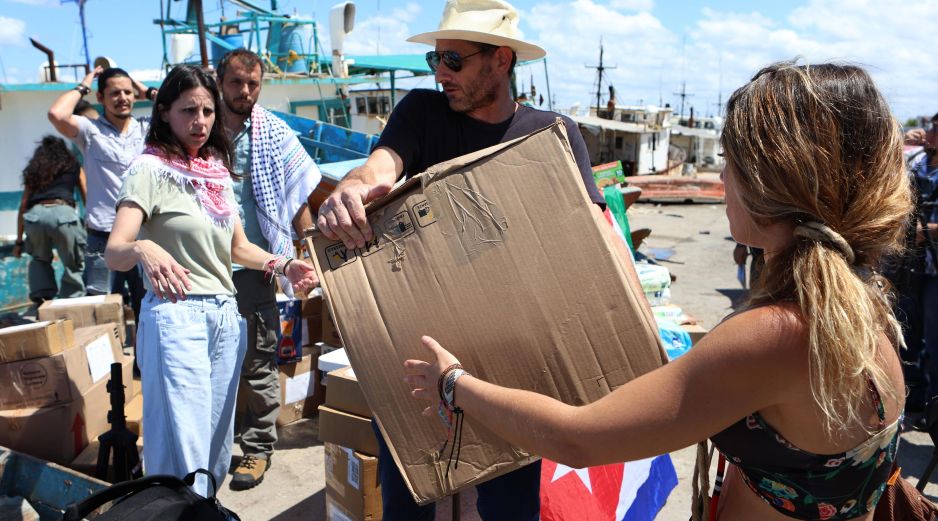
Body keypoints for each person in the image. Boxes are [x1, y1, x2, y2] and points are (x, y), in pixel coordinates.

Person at [405, 62, 911, 521]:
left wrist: (454, 383)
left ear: (768, 180)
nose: (723, 176)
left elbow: (576, 438)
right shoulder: (862, 303)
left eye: (727, 158)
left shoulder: (777, 334)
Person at [317, 0, 605, 518]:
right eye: (434, 60)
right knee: (408, 497)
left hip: (515, 362)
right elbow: (381, 166)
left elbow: (592, 238)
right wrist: (352, 189)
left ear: (501, 60)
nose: (440, 73)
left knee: (508, 505)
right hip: (420, 354)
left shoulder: (553, 135)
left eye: (453, 60)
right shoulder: (422, 113)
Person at [104, 65, 317, 496]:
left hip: (225, 315)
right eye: (188, 111)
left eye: (206, 111)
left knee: (218, 444)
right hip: (177, 317)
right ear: (164, 112)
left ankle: (203, 508)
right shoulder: (149, 168)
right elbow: (115, 249)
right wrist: (144, 248)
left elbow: (237, 248)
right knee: (183, 443)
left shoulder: (216, 169)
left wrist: (282, 265)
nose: (199, 121)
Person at [215, 48, 321, 490]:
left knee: (258, 360)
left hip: (257, 266)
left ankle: (257, 449)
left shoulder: (272, 131)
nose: (245, 92)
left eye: (253, 84)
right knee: (213, 362)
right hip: (205, 266)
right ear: (220, 80)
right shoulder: (200, 128)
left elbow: (297, 196)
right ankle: (210, 448)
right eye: (237, 82)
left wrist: (311, 247)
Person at [48, 66, 155, 320]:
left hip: (141, 235)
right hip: (102, 238)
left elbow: (173, 107)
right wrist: (84, 84)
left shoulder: (146, 128)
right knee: (102, 313)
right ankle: (109, 362)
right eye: (115, 93)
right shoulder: (90, 130)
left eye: (128, 92)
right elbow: (56, 113)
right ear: (100, 98)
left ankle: (143, 362)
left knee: (148, 310)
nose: (123, 98)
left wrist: (144, 89)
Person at [893, 113, 938, 420]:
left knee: (935, 342)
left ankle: (934, 408)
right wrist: (900, 144)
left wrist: (928, 231)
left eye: (937, 128)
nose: (930, 132)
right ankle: (914, 397)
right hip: (909, 265)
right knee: (905, 332)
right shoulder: (917, 162)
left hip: (934, 268)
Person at [14, 135, 87, 302]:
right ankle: (72, 300)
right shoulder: (73, 165)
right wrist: (90, 222)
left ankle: (42, 300)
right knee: (73, 262)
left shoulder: (34, 170)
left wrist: (19, 242)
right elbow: (86, 194)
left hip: (35, 216)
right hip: (64, 214)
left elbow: (23, 205)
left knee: (39, 260)